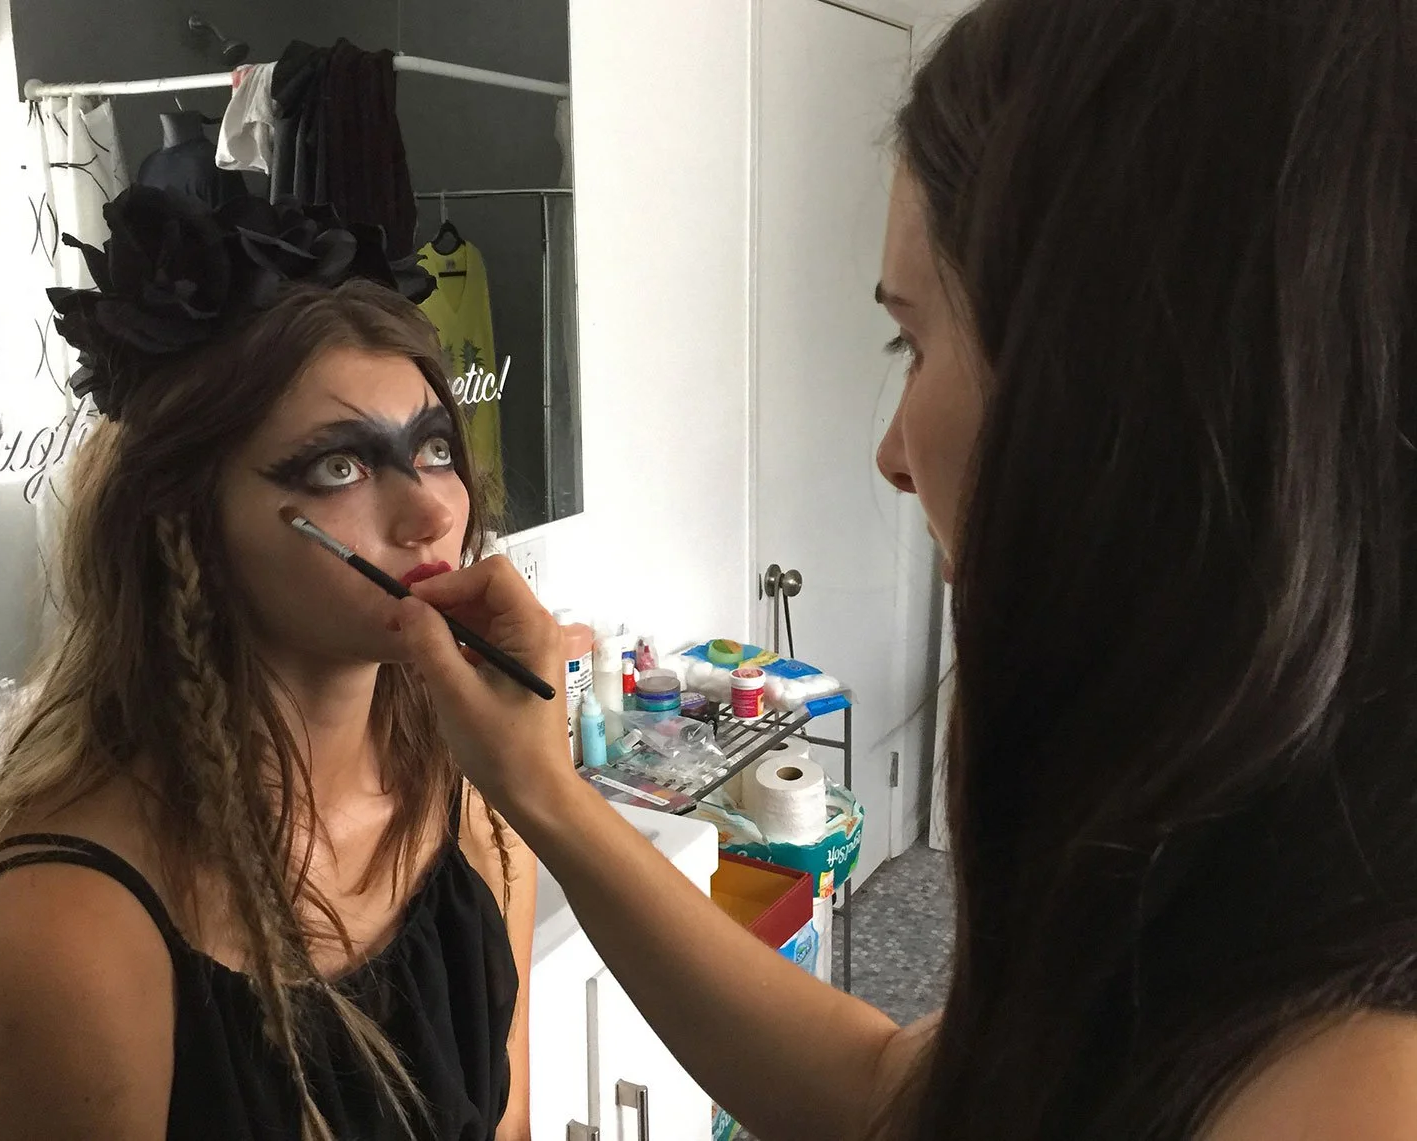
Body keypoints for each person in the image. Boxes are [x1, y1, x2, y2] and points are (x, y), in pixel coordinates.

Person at [390, 0, 1417, 1138]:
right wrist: (545, 792)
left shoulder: (1355, 1089)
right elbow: (893, 1096)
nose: (891, 456)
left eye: (913, 343)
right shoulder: (1213, 880)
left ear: (1117, 391)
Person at [0, 190, 534, 1141]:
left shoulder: (476, 801)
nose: (430, 516)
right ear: (188, 523)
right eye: (341, 466)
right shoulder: (65, 933)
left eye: (433, 447)